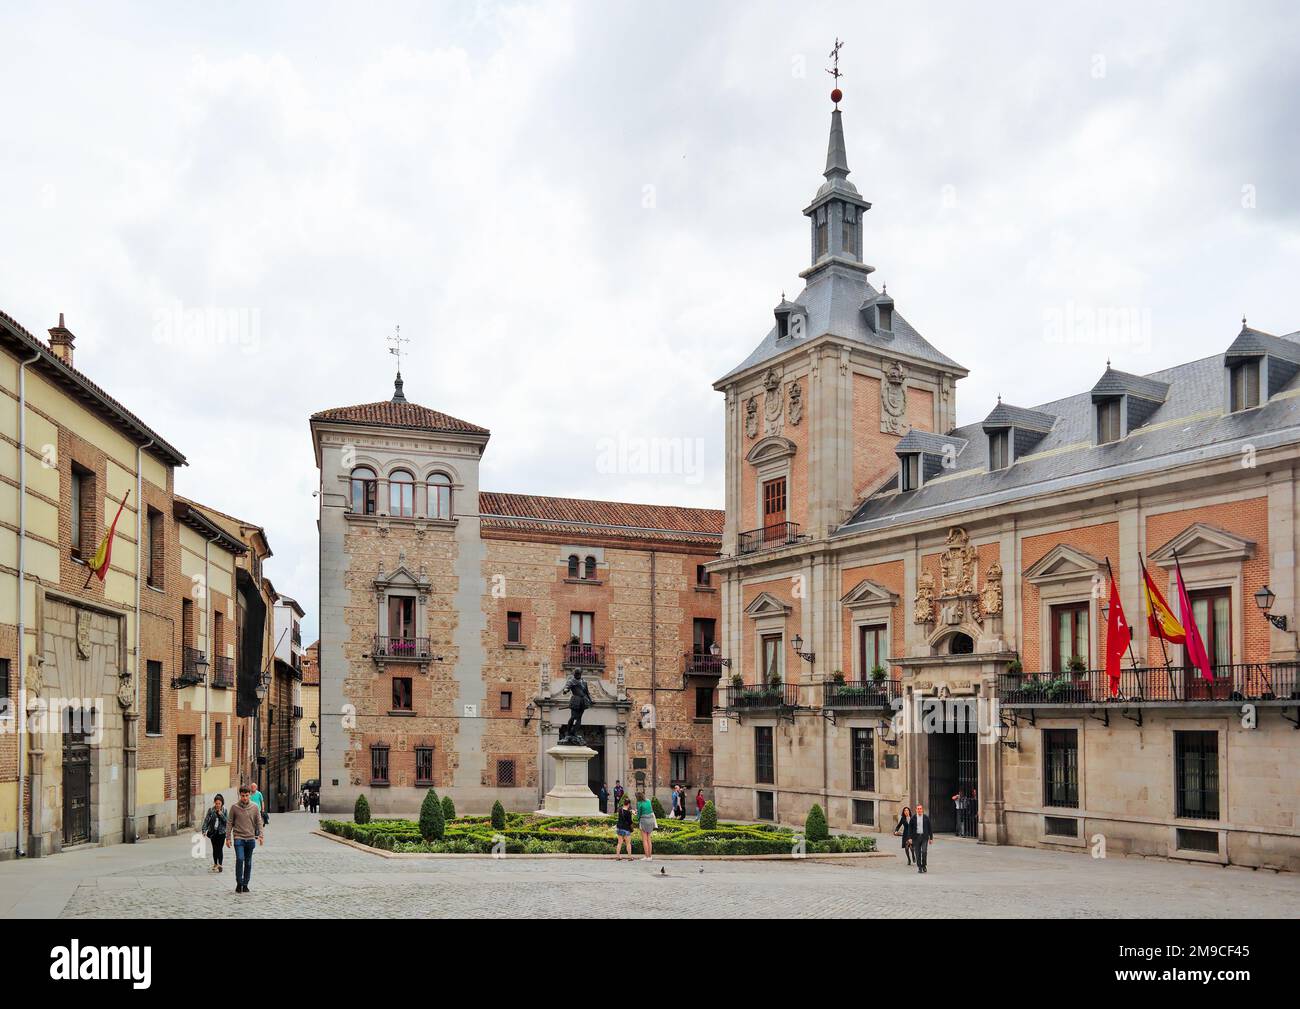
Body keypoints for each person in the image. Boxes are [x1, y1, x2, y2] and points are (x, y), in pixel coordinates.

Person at [226, 784, 264, 893]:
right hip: (238, 838)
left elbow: (259, 822)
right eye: (243, 796)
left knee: (248, 862)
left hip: (250, 839)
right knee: (240, 859)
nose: (245, 798)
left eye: (247, 795)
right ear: (240, 795)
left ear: (250, 795)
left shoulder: (255, 807)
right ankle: (239, 882)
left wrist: (261, 835)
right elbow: (229, 823)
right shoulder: (234, 807)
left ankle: (246, 884)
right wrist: (228, 837)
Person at [201, 794, 228, 872]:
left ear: (222, 803)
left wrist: (221, 815)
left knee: (220, 848)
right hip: (213, 832)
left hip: (222, 832)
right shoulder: (211, 810)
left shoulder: (225, 810)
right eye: (216, 803)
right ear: (214, 803)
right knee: (215, 849)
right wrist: (204, 830)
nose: (217, 805)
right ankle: (215, 863)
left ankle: (220, 864)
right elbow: (206, 820)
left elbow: (227, 822)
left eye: (219, 803)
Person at [909, 802, 934, 873]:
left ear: (922, 810)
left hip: (924, 837)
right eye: (918, 809)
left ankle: (924, 865)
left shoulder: (926, 818)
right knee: (917, 853)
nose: (919, 810)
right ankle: (919, 867)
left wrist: (931, 838)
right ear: (916, 810)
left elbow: (930, 828)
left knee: (924, 851)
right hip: (916, 838)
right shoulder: (913, 818)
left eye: (920, 809)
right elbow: (910, 828)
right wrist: (910, 838)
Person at [635, 790, 655, 861]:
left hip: (644, 820)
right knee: (649, 839)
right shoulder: (648, 801)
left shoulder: (639, 803)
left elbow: (639, 814)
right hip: (651, 820)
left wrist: (635, 814)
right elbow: (651, 810)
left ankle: (646, 856)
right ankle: (650, 856)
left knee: (644, 840)